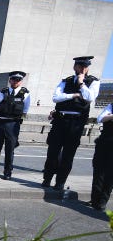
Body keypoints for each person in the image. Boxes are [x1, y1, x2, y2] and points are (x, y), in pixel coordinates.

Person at [42, 56, 101, 190]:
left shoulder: (93, 82)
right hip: (60, 120)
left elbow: (89, 97)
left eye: (84, 67)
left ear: (87, 68)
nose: (82, 69)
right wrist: (73, 95)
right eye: (79, 67)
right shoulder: (66, 81)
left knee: (68, 154)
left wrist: (81, 84)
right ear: (75, 67)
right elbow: (56, 98)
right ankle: (47, 178)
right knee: (53, 152)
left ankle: (60, 182)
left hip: (76, 123)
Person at [0, 71, 30, 180]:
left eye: (18, 80)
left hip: (13, 124)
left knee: (10, 150)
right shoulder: (2, 92)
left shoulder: (25, 93)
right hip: (0, 123)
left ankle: (7, 173)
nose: (15, 82)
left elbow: (25, 111)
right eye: (13, 79)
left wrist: (15, 120)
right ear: (10, 80)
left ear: (21, 81)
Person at [90, 103, 113, 211]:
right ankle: (95, 199)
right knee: (98, 169)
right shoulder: (111, 106)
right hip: (104, 142)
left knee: (110, 174)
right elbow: (100, 118)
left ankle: (103, 200)